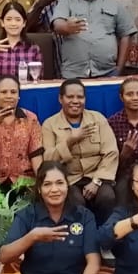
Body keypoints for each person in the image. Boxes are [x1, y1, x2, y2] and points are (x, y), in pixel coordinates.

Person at [2, 162, 118, 274]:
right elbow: (4, 256)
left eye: (59, 183)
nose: (54, 189)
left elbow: (94, 262)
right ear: (39, 189)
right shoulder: (27, 215)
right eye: (47, 184)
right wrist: (32, 237)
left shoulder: (83, 216)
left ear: (67, 185)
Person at [42, 79, 120, 222]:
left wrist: (96, 181)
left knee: (107, 197)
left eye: (80, 97)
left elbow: (111, 153)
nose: (75, 101)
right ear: (60, 99)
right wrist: (70, 141)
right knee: (76, 202)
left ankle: (106, 233)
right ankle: (81, 234)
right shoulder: (50, 124)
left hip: (98, 176)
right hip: (69, 179)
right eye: (70, 97)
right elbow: (48, 160)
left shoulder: (98, 119)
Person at [52, 0, 136, 79]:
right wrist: (66, 27)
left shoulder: (115, 3)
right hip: (73, 74)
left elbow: (126, 35)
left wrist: (119, 69)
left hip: (108, 72)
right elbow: (57, 24)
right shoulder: (66, 2)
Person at [0, 75, 43, 185]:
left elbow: (36, 155)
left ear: (18, 95)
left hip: (24, 181)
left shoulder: (31, 118)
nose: (9, 96)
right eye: (4, 92)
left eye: (13, 92)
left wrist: (41, 183)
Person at [0, 2, 42, 80]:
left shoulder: (33, 49)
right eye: (9, 19)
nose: (13, 24)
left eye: (18, 20)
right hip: (1, 87)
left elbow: (38, 78)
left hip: (26, 87)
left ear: (24, 23)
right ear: (2, 23)